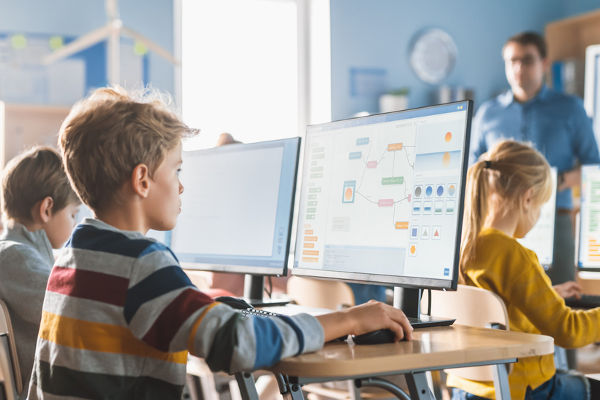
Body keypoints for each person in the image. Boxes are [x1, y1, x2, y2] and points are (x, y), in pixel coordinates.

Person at [27, 87, 413, 399]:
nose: (181, 185)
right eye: (176, 169)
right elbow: (240, 344)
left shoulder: (74, 255)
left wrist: (213, 306)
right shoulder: (142, 263)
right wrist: (350, 319)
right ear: (142, 180)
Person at [449, 140, 600, 400]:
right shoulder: (515, 256)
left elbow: (494, 308)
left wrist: (547, 293)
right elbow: (567, 329)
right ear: (528, 197)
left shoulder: (466, 244)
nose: (540, 214)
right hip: (521, 389)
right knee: (587, 385)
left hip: (468, 389)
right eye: (541, 205)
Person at [470, 31, 600, 286]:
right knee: (504, 305)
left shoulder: (570, 108)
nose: (519, 68)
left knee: (559, 299)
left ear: (544, 63)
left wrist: (556, 180)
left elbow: (594, 166)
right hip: (501, 222)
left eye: (527, 60)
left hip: (556, 220)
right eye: (512, 61)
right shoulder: (487, 114)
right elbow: (474, 169)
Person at [0, 146, 80, 391]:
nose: (74, 224)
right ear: (47, 209)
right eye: (73, 214)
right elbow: (72, 316)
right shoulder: (16, 258)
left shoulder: (19, 254)